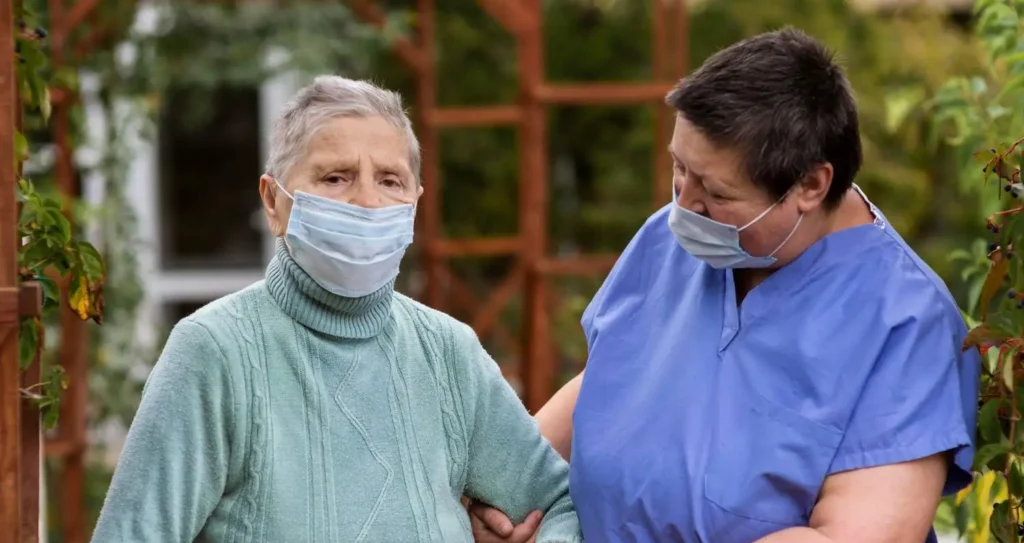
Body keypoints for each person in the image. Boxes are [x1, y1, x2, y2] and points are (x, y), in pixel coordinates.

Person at [470, 28, 980, 543]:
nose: (684, 204)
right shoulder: (674, 238)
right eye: (678, 167)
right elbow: (614, 381)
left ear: (809, 185)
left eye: (714, 190)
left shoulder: (906, 324)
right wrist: (509, 491)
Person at [92, 76, 582, 543]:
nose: (367, 201)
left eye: (391, 180)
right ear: (272, 202)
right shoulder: (216, 351)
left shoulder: (447, 352)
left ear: (415, 202)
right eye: (335, 177)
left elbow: (558, 500)